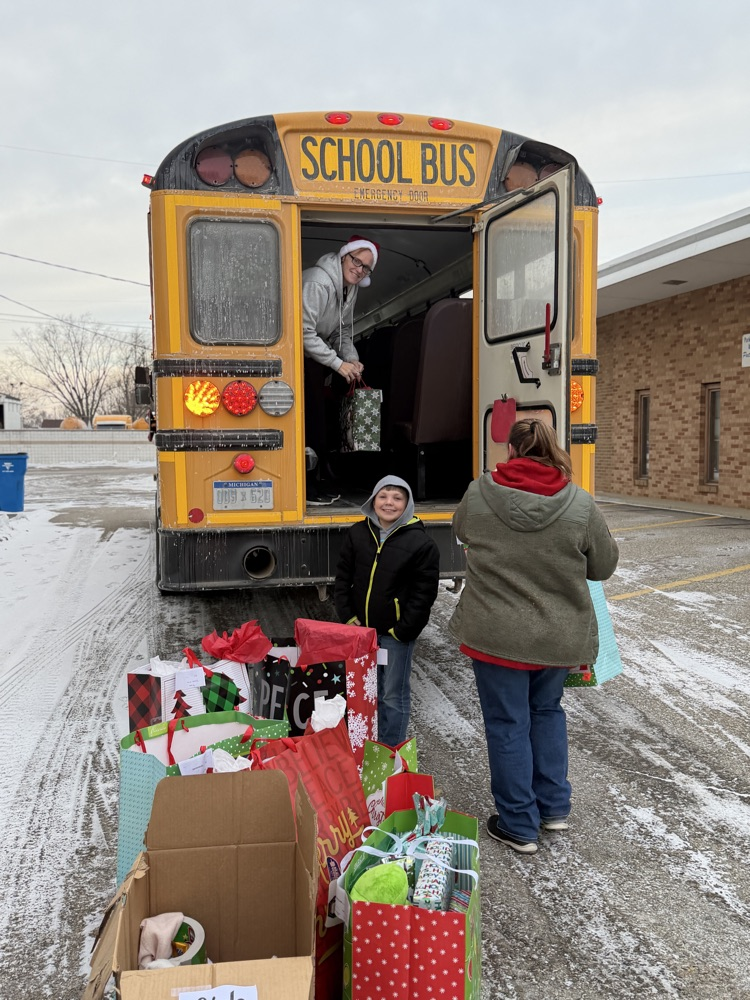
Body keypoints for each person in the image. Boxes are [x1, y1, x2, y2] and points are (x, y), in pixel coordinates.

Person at [449, 419, 619, 855]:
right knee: (546, 712)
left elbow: (462, 531)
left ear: (510, 451)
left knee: (508, 724)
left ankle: (518, 823)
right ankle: (553, 809)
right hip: (558, 637)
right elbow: (603, 566)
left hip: (495, 634)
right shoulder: (579, 504)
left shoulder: (479, 493)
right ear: (552, 449)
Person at [334, 475, 440, 747]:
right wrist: (348, 616)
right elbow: (343, 578)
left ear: (407, 504)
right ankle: (364, 744)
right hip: (361, 631)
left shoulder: (421, 544)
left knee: (392, 694)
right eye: (383, 496)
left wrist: (403, 629)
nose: (389, 503)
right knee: (362, 692)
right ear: (373, 500)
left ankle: (390, 750)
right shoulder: (357, 533)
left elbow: (423, 594)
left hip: (395, 635)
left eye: (397, 498)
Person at [302, 236, 379, 503]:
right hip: (299, 357)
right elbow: (304, 333)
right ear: (343, 256)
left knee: (321, 417)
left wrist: (351, 359)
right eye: (356, 260)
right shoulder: (318, 282)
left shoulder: (350, 288)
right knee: (311, 420)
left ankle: (320, 479)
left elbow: (342, 331)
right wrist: (338, 364)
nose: (359, 269)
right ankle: (308, 487)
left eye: (366, 268)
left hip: (315, 358)